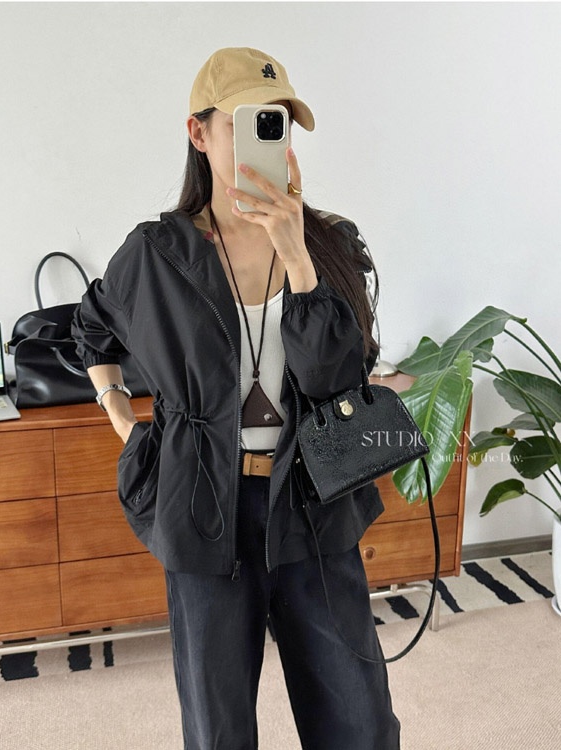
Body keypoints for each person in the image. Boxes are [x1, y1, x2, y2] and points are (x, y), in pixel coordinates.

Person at [72, 47, 400, 750]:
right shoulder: (157, 255)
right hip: (204, 506)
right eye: (250, 121)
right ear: (199, 133)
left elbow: (339, 382)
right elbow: (91, 326)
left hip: (311, 502)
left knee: (360, 723)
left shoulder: (330, 245)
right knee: (218, 729)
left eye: (280, 122)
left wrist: (299, 257)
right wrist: (121, 416)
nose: (269, 136)